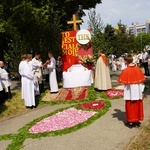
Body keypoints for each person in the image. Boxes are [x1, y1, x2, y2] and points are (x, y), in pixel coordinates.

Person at [118, 54, 146, 127]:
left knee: (130, 104)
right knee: (137, 104)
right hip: (138, 90)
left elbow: (122, 81)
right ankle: (137, 120)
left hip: (129, 91)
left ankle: (131, 121)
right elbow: (142, 80)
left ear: (126, 61)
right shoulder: (138, 69)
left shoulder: (126, 70)